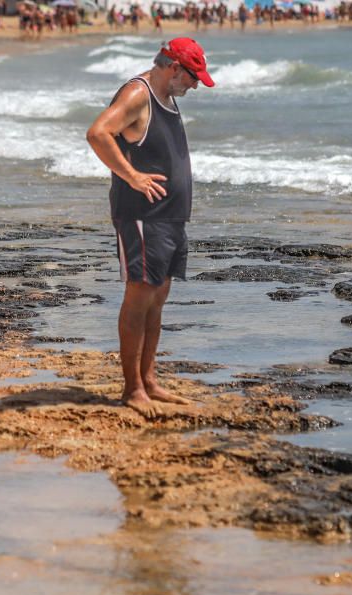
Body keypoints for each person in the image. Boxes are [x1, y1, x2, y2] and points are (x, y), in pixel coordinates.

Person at [86, 38, 214, 418]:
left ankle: (149, 379)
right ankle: (132, 389)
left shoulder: (167, 96)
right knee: (138, 300)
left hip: (170, 217)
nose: (195, 85)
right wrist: (133, 177)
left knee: (157, 301)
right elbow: (98, 133)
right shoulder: (137, 94)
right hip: (142, 216)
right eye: (193, 77)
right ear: (174, 67)